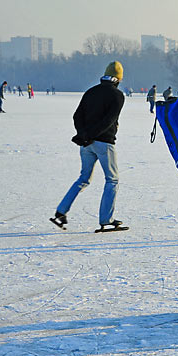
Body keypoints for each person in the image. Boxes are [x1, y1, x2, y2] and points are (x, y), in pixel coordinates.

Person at [52, 61, 126, 231]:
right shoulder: (117, 96)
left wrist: (83, 135)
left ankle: (61, 211)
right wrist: (90, 136)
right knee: (112, 180)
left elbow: (77, 116)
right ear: (119, 79)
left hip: (86, 144)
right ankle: (106, 219)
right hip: (104, 143)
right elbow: (109, 121)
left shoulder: (91, 92)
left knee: (83, 178)